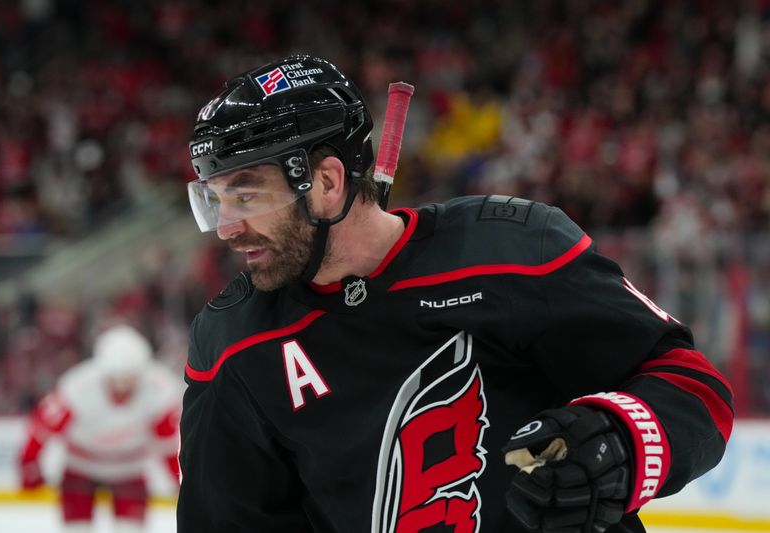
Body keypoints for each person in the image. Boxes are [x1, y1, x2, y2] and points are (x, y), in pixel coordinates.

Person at [178, 54, 734, 533]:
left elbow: (694, 386)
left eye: (246, 197)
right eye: (216, 200)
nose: (226, 227)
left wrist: (619, 441)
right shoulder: (233, 340)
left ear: (326, 183)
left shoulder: (511, 250)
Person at [19, 324, 183, 533]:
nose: (123, 387)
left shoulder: (160, 390)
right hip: (81, 467)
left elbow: (168, 445)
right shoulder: (78, 387)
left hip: (129, 468)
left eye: (130, 379)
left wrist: (179, 480)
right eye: (116, 379)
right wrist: (30, 466)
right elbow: (41, 430)